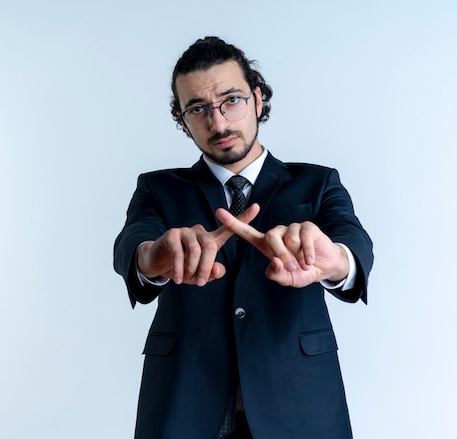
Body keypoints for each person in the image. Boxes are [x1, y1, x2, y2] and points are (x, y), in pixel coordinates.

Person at [113, 36, 373, 439]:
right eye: (197, 109)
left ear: (258, 98)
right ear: (183, 120)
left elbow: (353, 245)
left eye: (231, 100)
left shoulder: (317, 182)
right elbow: (133, 243)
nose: (218, 123)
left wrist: (335, 261)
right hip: (185, 403)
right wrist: (151, 259)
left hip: (299, 403)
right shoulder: (158, 188)